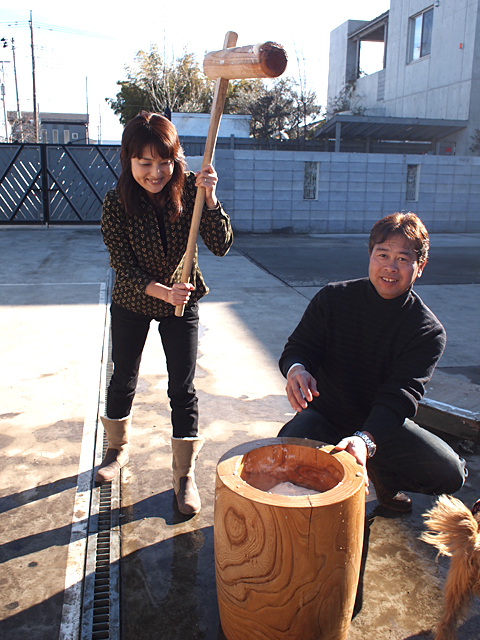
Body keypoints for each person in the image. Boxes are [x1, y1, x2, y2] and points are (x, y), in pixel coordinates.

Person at [278, 212, 466, 512]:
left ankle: (384, 478)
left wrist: (365, 441)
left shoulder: (427, 331)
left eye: (403, 259)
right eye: (383, 254)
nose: (390, 267)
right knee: (284, 459)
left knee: (449, 473)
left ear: (420, 267)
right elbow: (300, 346)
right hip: (326, 415)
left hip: (382, 428)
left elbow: (400, 395)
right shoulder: (333, 298)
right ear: (370, 255)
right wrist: (297, 369)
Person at [98, 111, 233, 515]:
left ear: (176, 158)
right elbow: (122, 263)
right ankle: (116, 450)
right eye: (145, 163)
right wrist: (163, 291)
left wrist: (210, 199)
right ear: (129, 160)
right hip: (134, 300)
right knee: (123, 376)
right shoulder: (115, 202)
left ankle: (183, 475)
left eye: (164, 161)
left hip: (183, 303)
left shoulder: (191, 190)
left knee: (182, 387)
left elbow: (222, 245)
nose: (156, 172)